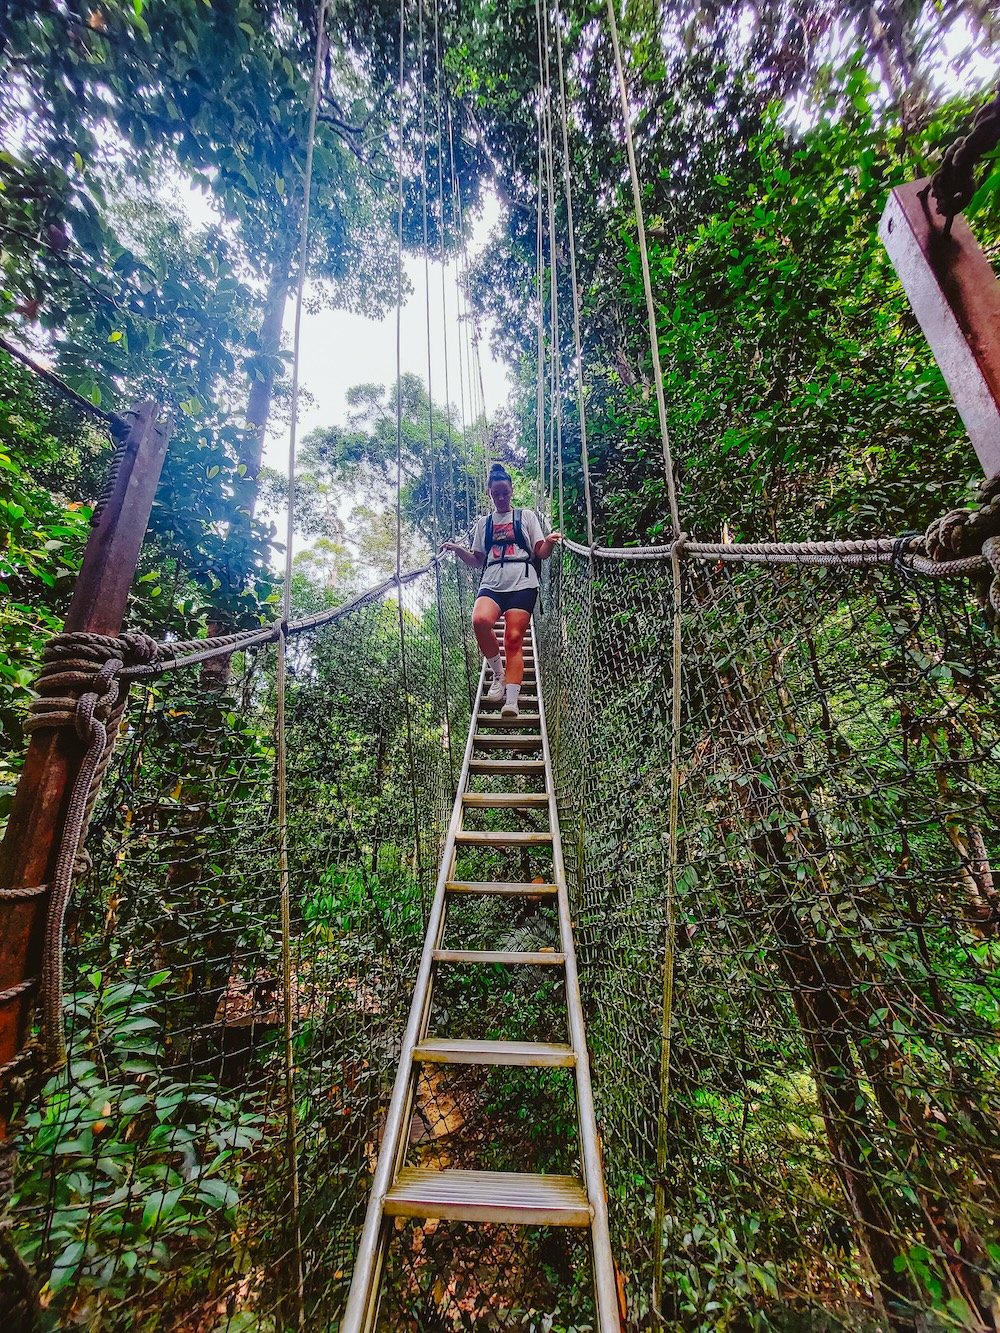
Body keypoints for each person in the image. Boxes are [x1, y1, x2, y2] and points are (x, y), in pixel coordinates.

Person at [441, 464, 561, 719]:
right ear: (489, 494)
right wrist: (459, 550)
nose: (501, 498)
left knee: (514, 638)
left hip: (523, 581)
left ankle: (512, 702)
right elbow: (476, 560)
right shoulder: (483, 524)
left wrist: (549, 543)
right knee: (480, 620)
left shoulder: (526, 516)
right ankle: (498, 673)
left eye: (505, 493)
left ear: (512, 491)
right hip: (492, 580)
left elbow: (540, 551)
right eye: (496, 494)